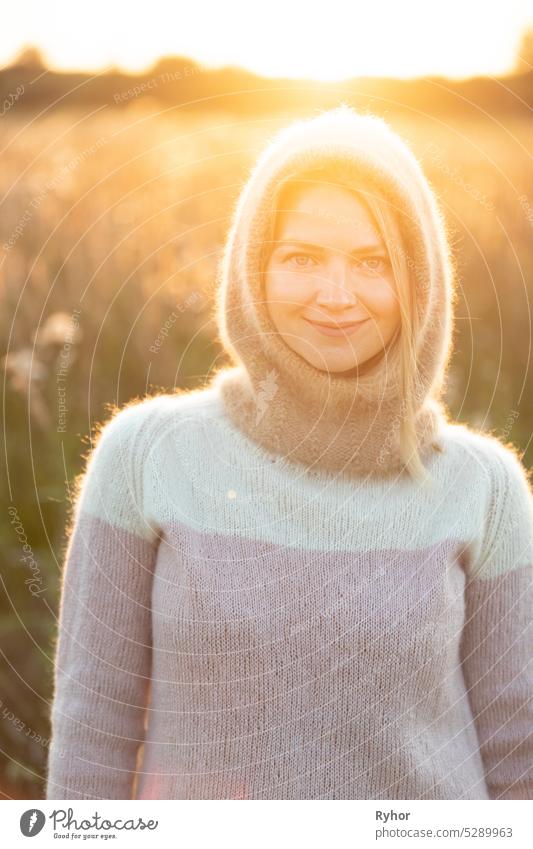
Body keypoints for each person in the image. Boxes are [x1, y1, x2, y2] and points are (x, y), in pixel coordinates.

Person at [45, 105, 533, 800]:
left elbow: (519, 748)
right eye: (300, 257)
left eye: (373, 262)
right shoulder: (145, 454)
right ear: (253, 271)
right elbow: (94, 728)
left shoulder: (484, 487)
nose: (335, 297)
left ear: (419, 284)